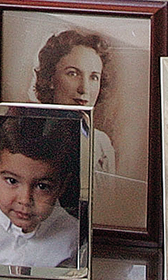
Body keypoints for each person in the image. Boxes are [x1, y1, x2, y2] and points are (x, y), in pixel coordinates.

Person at [0, 114, 80, 269]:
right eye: (12, 181)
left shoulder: (74, 235)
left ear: (62, 186)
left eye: (42, 186)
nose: (25, 200)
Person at [32, 28, 116, 174]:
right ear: (51, 78)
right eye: (73, 73)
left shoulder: (102, 143)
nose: (84, 89)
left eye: (94, 77)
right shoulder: (30, 135)